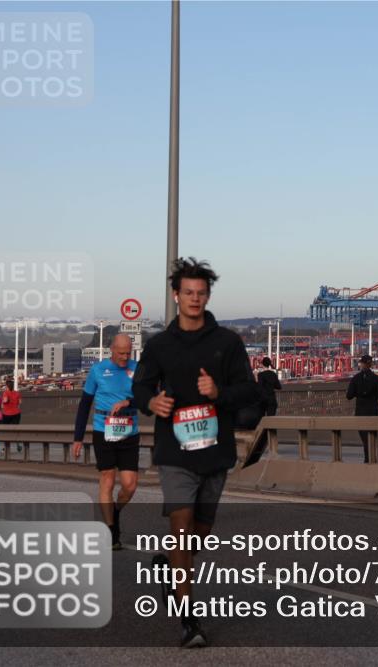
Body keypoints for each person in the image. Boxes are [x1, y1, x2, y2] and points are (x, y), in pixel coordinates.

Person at [132, 257, 257, 648]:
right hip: (175, 451)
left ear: (208, 296)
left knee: (199, 534)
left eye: (201, 293)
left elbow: (249, 389)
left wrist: (219, 394)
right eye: (188, 292)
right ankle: (189, 621)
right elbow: (139, 387)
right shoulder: (160, 345)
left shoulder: (227, 342)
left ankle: (170, 566)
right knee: (182, 530)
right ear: (176, 296)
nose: (194, 299)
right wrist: (152, 404)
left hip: (215, 451)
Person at [72, 334, 141, 550]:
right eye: (120, 353)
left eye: (128, 353)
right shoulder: (98, 370)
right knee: (107, 479)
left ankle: (116, 510)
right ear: (112, 349)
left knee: (129, 485)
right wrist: (78, 438)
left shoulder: (137, 368)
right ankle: (111, 529)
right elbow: (84, 405)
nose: (124, 357)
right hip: (104, 429)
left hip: (129, 430)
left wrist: (129, 400)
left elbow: (150, 397)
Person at [346, 353, 378, 463]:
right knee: (373, 435)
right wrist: (371, 395)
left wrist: (359, 393)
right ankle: (374, 458)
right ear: (371, 364)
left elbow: (349, 396)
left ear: (362, 364)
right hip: (374, 410)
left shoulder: (355, 379)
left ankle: (367, 458)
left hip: (361, 411)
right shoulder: (377, 379)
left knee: (364, 437)